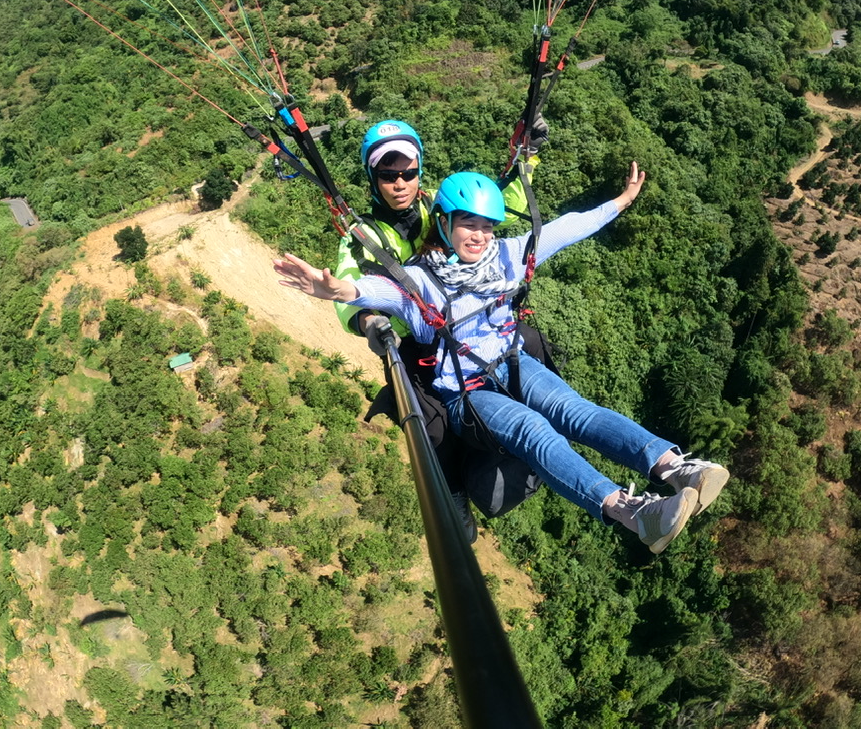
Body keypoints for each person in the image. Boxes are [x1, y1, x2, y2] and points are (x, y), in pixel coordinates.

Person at [275, 164, 729, 553]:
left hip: (512, 363)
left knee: (576, 412)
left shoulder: (507, 256)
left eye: (488, 226)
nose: (480, 235)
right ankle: (633, 515)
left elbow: (565, 228)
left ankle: (675, 468)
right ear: (445, 222)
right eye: (469, 224)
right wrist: (336, 289)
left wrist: (619, 203)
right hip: (464, 393)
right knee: (535, 431)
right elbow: (374, 290)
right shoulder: (419, 281)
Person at [335, 119, 549, 541]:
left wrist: (527, 158)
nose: (400, 183)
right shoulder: (362, 236)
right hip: (418, 338)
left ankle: (545, 429)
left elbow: (497, 206)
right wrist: (368, 321)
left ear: (419, 171)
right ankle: (453, 492)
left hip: (472, 316)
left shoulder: (442, 201)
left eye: (408, 172)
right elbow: (347, 289)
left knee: (533, 350)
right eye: (388, 174)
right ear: (373, 178)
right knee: (429, 422)